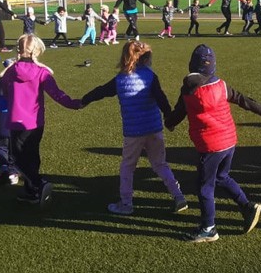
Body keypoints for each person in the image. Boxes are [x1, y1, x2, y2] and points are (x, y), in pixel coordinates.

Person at [165, 44, 261, 243]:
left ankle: (209, 228)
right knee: (221, 176)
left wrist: (169, 123)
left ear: (192, 64)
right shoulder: (221, 85)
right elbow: (243, 99)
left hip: (210, 145)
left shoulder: (189, 90)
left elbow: (180, 111)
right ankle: (247, 206)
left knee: (204, 186)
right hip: (229, 141)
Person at [76, 41, 188, 215]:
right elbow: (162, 99)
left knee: (128, 167)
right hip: (154, 129)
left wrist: (84, 100)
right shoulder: (151, 76)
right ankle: (178, 195)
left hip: (133, 133)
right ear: (147, 58)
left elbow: (101, 91)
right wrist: (169, 119)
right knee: (160, 164)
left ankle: (126, 203)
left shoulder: (120, 79)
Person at [0, 34, 80, 207]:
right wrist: (74, 104)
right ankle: (31, 191)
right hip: (35, 122)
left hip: (15, 120)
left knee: (18, 159)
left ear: (19, 50)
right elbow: (57, 94)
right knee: (32, 155)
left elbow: (4, 91)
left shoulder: (10, 72)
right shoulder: (42, 73)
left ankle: (38, 183)